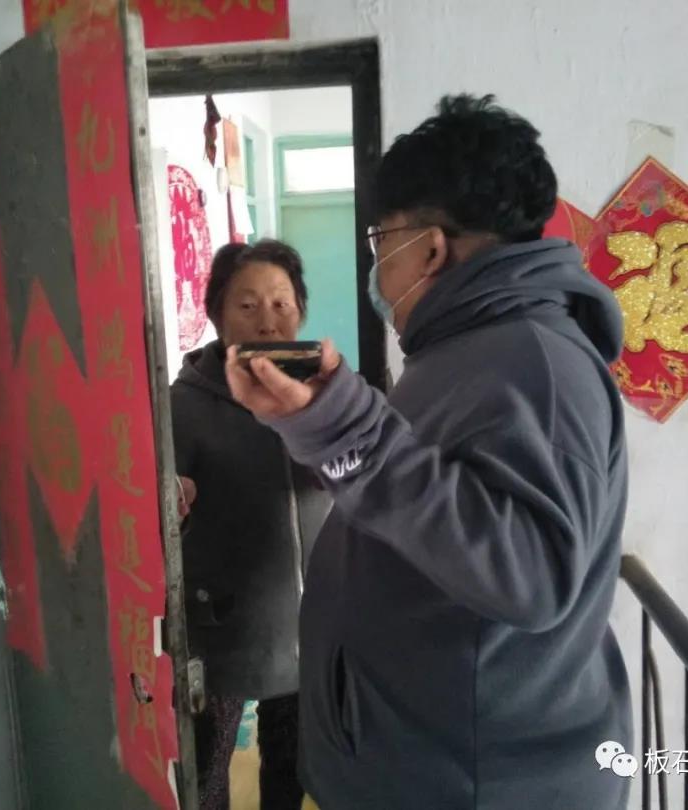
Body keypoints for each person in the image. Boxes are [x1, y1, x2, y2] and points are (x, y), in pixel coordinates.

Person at [224, 94, 633, 809]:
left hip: (465, 786)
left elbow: (529, 574)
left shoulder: (534, 364)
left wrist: (348, 430)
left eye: (381, 241)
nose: (377, 266)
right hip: (413, 763)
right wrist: (325, 421)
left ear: (431, 248)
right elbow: (427, 495)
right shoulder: (472, 349)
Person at [171, 239, 331, 810]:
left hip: (309, 626)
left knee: (292, 766)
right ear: (216, 314)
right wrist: (173, 503)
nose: (268, 321)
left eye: (281, 303)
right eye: (247, 305)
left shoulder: (325, 396)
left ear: (301, 311)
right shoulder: (183, 404)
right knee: (207, 772)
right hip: (221, 629)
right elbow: (158, 510)